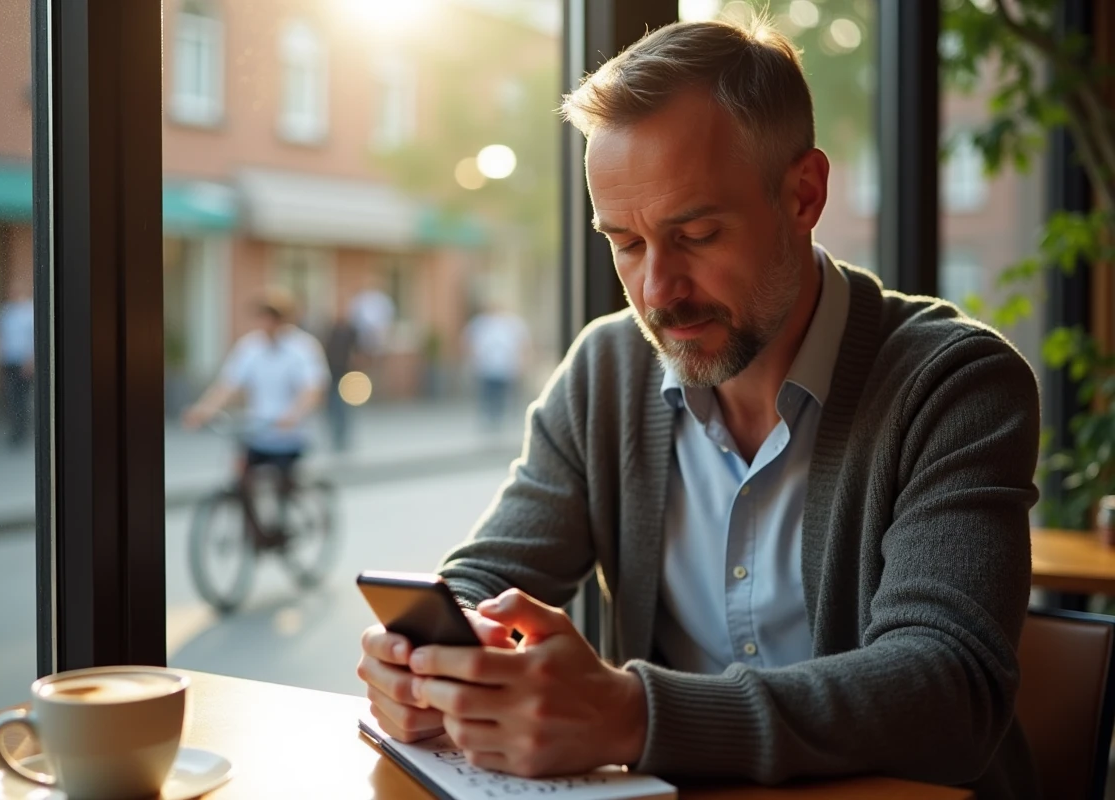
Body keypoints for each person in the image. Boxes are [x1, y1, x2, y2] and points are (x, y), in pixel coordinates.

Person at [357, 18, 1040, 800]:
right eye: (627, 243)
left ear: (803, 195)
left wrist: (634, 715)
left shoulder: (954, 384)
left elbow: (948, 692)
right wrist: (429, 665)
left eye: (698, 233)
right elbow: (489, 575)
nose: (657, 292)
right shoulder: (606, 371)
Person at [184, 286, 330, 488]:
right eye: (263, 316)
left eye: (273, 317)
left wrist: (294, 414)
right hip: (257, 431)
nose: (267, 322)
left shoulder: (303, 348)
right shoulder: (250, 347)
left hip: (289, 434)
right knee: (242, 482)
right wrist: (203, 409)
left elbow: (313, 389)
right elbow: (227, 384)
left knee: (283, 486)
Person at [462, 303, 530, 430]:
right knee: (487, 393)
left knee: (501, 394)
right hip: (485, 366)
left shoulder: (511, 323)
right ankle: (489, 419)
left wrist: (522, 362)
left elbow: (522, 343)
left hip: (505, 366)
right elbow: (469, 341)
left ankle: (498, 418)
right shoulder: (480, 323)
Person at [0, 280, 35, 448]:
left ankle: (21, 431)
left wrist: (30, 360)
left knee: (22, 397)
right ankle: (14, 431)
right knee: (12, 397)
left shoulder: (30, 311)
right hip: (9, 359)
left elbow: (32, 338)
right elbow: (1, 335)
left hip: (23, 360)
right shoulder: (6, 311)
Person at [322, 308, 359, 452]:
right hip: (332, 373)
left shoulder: (351, 332)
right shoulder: (331, 331)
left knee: (343, 407)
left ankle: (342, 436)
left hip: (346, 374)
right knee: (332, 407)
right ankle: (335, 436)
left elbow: (356, 352)